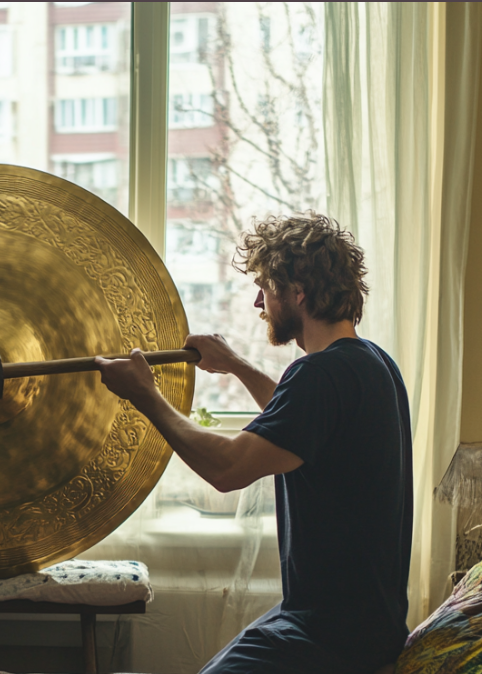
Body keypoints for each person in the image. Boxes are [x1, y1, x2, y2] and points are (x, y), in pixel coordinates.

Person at [95, 212, 412, 674]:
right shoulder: (371, 364)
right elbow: (298, 426)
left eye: (266, 286)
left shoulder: (319, 376)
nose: (258, 301)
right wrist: (237, 365)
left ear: (297, 292)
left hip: (329, 638)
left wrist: (145, 394)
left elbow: (227, 468)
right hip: (365, 629)